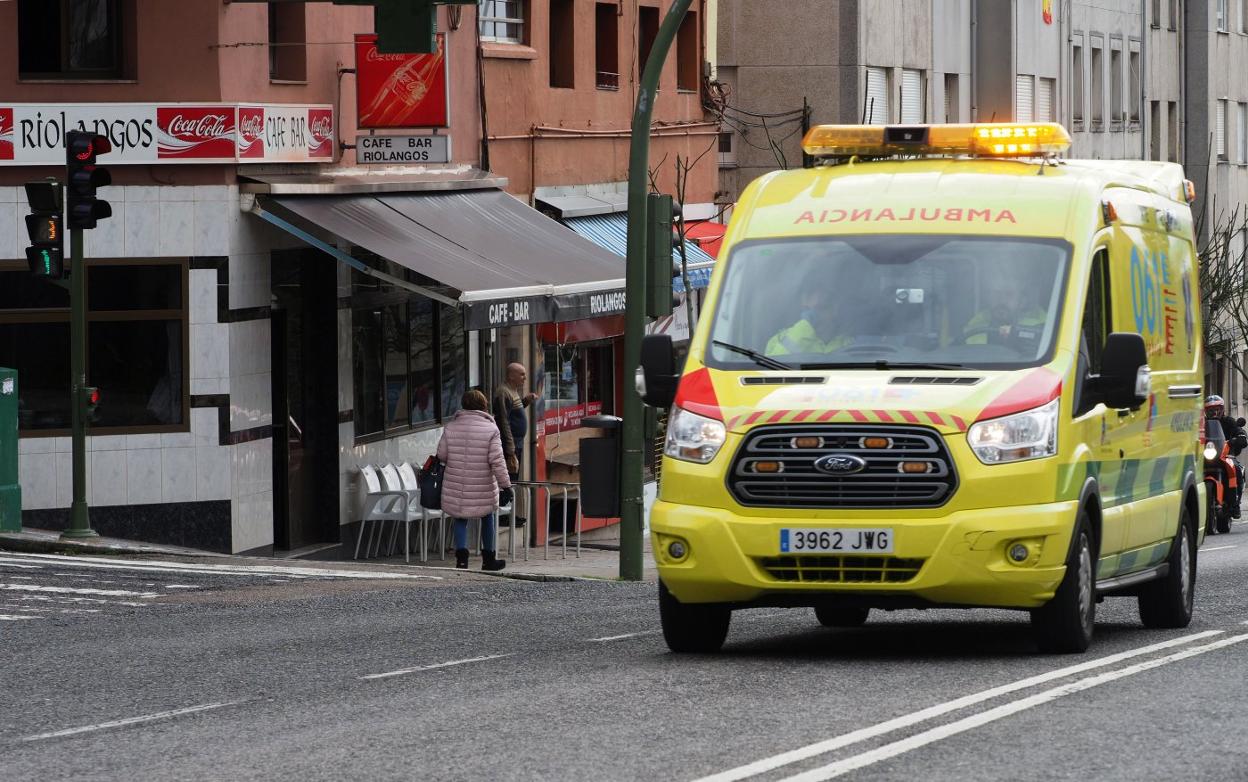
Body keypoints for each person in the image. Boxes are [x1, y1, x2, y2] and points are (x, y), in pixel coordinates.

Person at [436, 389, 513, 570]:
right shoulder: (491, 429)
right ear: (484, 405)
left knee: (460, 518)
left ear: (464, 405)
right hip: (482, 484)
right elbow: (497, 460)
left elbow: (442, 455)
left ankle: (462, 560)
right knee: (487, 517)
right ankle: (488, 560)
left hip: (457, 483)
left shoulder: (451, 427)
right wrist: (506, 485)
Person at [765, 282, 847, 356]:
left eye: (823, 308)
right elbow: (773, 365)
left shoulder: (847, 344)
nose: (815, 315)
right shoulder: (779, 339)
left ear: (835, 310)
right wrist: (804, 327)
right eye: (807, 310)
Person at [963, 276, 1047, 347]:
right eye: (996, 293)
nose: (1001, 300)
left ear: (1021, 302)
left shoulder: (1038, 331)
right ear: (988, 299)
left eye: (1009, 294)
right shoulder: (973, 329)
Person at [493, 362, 539, 481]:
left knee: (514, 476)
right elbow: (503, 420)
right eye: (522, 374)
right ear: (511, 376)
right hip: (510, 445)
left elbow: (513, 412)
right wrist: (510, 448)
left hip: (517, 443)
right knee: (510, 479)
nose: (525, 378)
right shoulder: (504, 392)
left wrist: (526, 401)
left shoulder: (513, 390)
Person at [1205, 394, 1247, 518]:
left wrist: (1240, 437)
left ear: (1222, 409)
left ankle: (1235, 504)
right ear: (1206, 411)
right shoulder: (1202, 424)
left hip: (1226, 455)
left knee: (1237, 470)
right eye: (1211, 410)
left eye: (1217, 409)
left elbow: (1239, 431)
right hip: (1208, 456)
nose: (1214, 412)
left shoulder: (1229, 421)